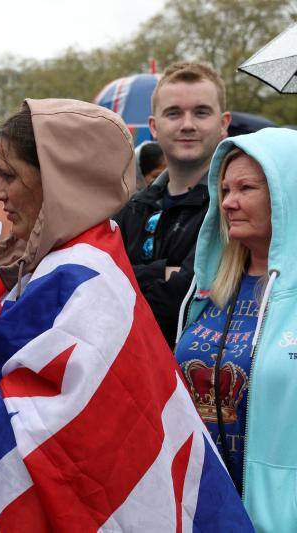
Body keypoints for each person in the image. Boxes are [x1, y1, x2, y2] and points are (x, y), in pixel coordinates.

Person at [0, 99, 251, 532]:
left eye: (11, 177)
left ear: (57, 180)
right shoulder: (64, 255)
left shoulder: (84, 271)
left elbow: (80, 422)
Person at [174, 128, 297, 531]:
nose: (228, 202)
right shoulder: (211, 289)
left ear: (286, 193)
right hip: (203, 510)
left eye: (246, 188)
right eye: (224, 189)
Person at [114, 62, 231, 347]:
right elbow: (96, 289)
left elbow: (180, 302)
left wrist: (129, 275)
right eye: (174, 113)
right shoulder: (129, 209)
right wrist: (164, 272)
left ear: (223, 123)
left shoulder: (232, 208)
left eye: (201, 112)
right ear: (154, 126)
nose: (187, 124)